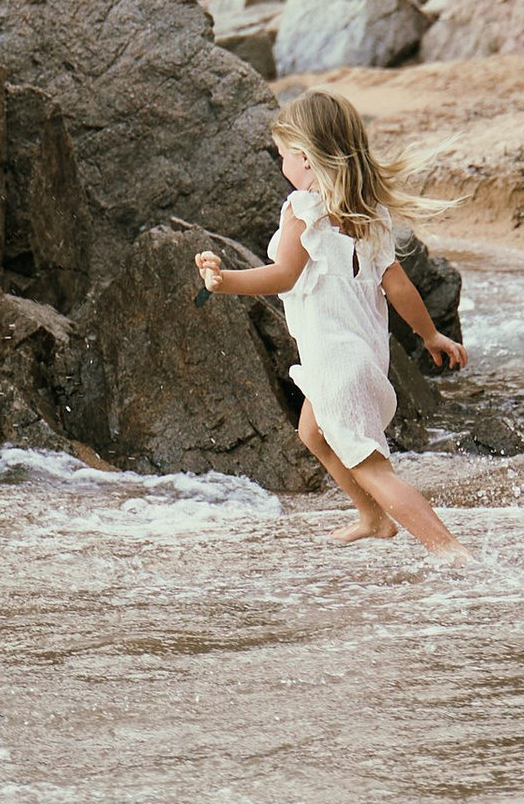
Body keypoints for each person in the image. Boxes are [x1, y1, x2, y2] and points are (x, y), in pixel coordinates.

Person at [195, 91, 472, 555]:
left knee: (374, 469)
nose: (282, 163)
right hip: (362, 355)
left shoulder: (302, 210)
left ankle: (449, 550)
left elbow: (284, 275)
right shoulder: (368, 215)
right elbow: (399, 287)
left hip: (335, 361)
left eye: (283, 154)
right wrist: (430, 334)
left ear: (304, 157)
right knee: (312, 431)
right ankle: (373, 519)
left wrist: (225, 282)